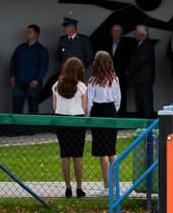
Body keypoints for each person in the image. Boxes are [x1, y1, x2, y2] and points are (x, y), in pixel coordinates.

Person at [52, 57, 89, 198]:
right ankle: (79, 188)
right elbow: (84, 109)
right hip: (77, 121)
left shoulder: (56, 86)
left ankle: (68, 188)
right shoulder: (82, 87)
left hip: (61, 120)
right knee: (78, 156)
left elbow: (55, 107)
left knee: (65, 155)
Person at [87, 51, 121, 190]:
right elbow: (118, 99)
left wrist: (89, 116)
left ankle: (107, 184)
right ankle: (116, 183)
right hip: (110, 111)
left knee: (102, 151)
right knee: (111, 149)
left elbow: (89, 102)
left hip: (98, 112)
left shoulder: (92, 81)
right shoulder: (114, 79)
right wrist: (113, 112)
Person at [10, 24, 50, 116]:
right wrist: (12, 75)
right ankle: (17, 126)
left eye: (29, 32)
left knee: (33, 108)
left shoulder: (42, 50)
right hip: (18, 82)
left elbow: (44, 67)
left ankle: (32, 126)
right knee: (17, 108)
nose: (27, 34)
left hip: (33, 84)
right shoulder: (20, 47)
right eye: (27, 32)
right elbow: (13, 62)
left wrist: (37, 80)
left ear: (36, 34)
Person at [126, 26, 158, 118]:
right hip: (139, 78)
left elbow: (140, 61)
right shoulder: (141, 44)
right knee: (139, 102)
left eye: (136, 33)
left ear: (142, 34)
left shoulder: (147, 44)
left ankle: (148, 122)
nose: (134, 35)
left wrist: (129, 70)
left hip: (144, 79)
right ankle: (142, 121)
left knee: (146, 102)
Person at [103, 24, 136, 114]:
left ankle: (121, 115)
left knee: (121, 95)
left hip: (121, 74)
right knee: (107, 94)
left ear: (122, 33)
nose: (116, 33)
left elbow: (131, 59)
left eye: (118, 31)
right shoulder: (106, 43)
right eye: (114, 30)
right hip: (107, 74)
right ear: (111, 32)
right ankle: (109, 114)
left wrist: (128, 70)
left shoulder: (127, 45)